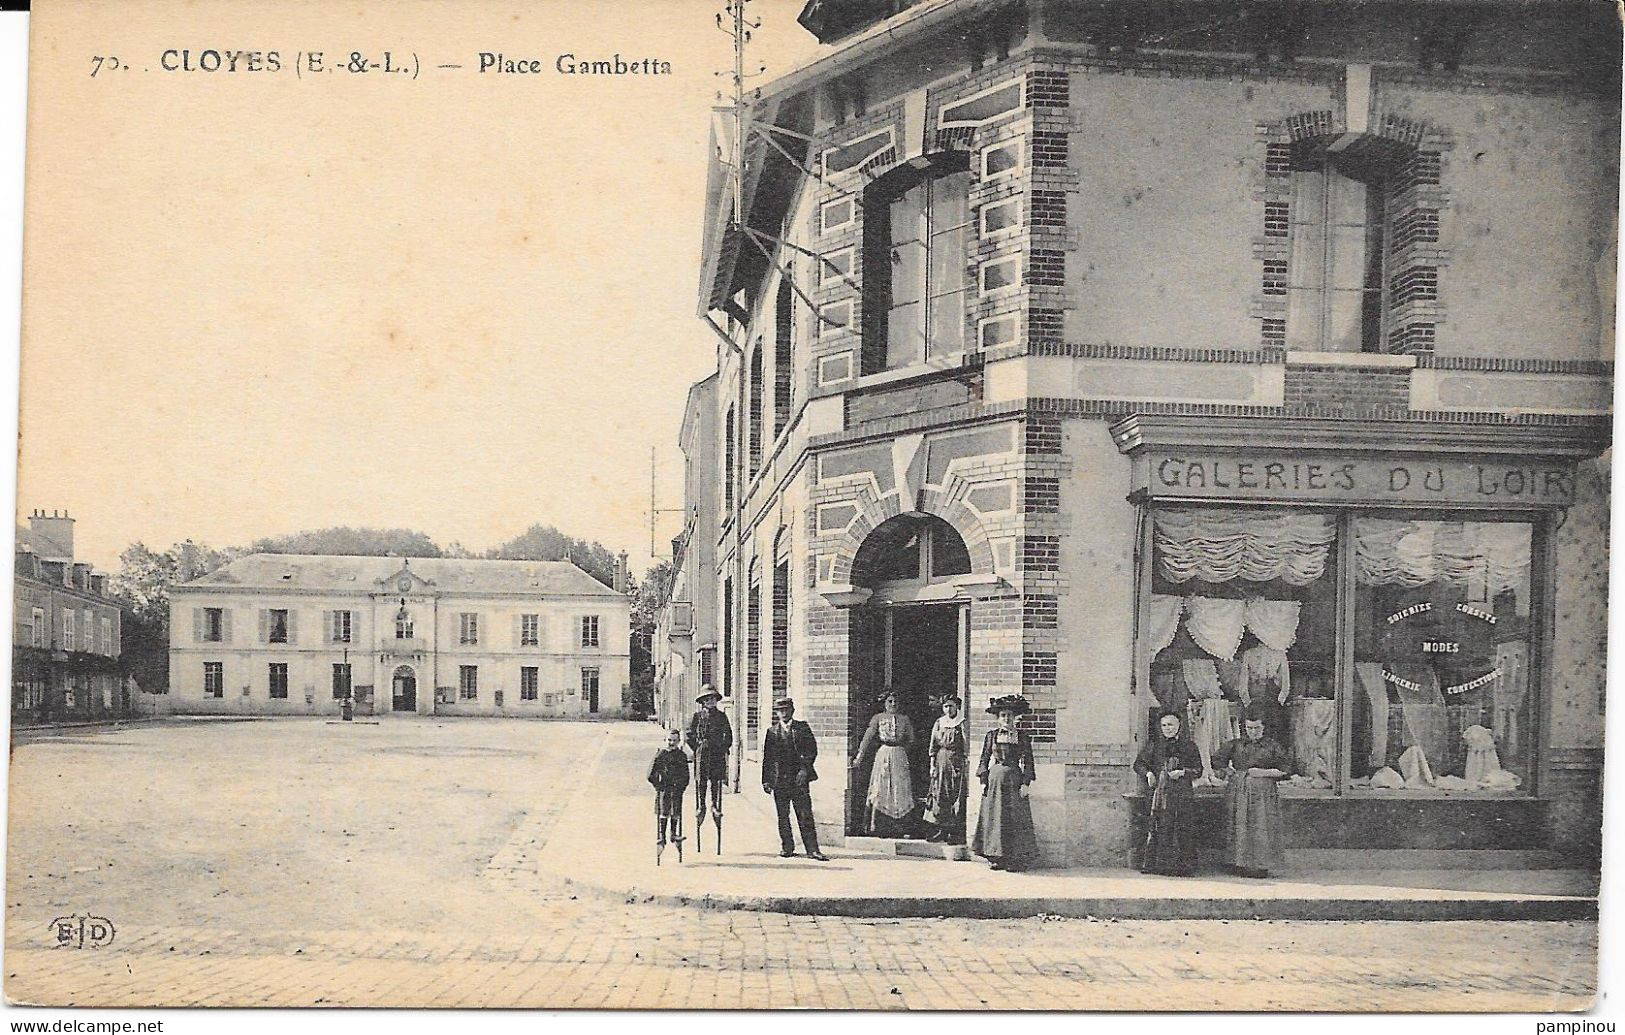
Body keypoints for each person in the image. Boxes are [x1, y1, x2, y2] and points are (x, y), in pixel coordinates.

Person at [1214, 711, 1290, 877]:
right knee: (1240, 825)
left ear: (1264, 728)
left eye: (1257, 728)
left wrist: (1264, 772)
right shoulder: (1237, 744)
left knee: (1260, 826)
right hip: (1239, 791)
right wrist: (1229, 771)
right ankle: (1239, 863)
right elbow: (1217, 760)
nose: (1253, 731)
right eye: (1249, 728)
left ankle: (1260, 865)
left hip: (1263, 794)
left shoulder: (1272, 746)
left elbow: (1286, 770)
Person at [971, 694, 1039, 872]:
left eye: (1009, 715)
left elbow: (1028, 761)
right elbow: (984, 759)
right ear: (998, 718)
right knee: (995, 818)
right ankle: (995, 857)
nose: (1006, 718)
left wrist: (1026, 783)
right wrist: (984, 778)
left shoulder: (1022, 737)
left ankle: (1014, 859)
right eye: (1003, 715)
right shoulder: (991, 736)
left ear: (1015, 717)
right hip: (995, 782)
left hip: (1014, 780)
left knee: (1014, 818)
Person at [1134, 710, 1205, 876]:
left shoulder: (1189, 746)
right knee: (1161, 825)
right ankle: (1160, 866)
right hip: (1161, 793)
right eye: (1164, 725)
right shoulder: (1154, 746)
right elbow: (1138, 764)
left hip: (1182, 794)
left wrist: (1183, 773)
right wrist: (1149, 773)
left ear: (1179, 725)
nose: (1167, 728)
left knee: (1183, 827)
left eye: (1171, 724)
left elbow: (1199, 770)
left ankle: (1183, 867)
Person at [761, 697, 827, 860]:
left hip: (798, 779)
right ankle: (787, 847)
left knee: (804, 814)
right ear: (777, 713)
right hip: (780, 780)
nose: (784, 713)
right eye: (780, 710)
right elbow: (767, 758)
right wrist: (766, 780)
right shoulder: (771, 732)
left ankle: (812, 849)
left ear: (792, 711)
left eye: (786, 710)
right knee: (783, 815)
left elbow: (812, 750)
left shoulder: (802, 728)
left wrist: (805, 770)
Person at [854, 688, 917, 837]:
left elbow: (912, 739)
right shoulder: (878, 718)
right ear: (884, 703)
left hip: (899, 755)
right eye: (890, 701)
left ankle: (901, 827)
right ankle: (879, 827)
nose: (893, 704)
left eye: (896, 701)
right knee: (881, 787)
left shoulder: (904, 719)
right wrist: (859, 756)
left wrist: (902, 750)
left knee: (899, 788)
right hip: (883, 754)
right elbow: (867, 737)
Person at [685, 685, 733, 832]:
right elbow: (689, 735)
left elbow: (728, 735)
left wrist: (722, 747)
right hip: (702, 753)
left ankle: (714, 804)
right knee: (701, 780)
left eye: (712, 699)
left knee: (716, 780)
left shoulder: (721, 716)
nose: (710, 702)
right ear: (703, 702)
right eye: (707, 699)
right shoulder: (697, 717)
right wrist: (698, 747)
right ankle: (701, 805)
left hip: (717, 753)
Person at [924, 693, 969, 843]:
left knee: (954, 793)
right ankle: (941, 829)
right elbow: (933, 745)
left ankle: (954, 831)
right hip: (940, 761)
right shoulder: (939, 722)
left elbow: (965, 745)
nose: (948, 709)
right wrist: (932, 765)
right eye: (946, 706)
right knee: (938, 793)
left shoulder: (961, 723)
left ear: (957, 706)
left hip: (955, 762)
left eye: (951, 706)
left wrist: (963, 763)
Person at [647, 727, 691, 861]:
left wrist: (681, 787)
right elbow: (650, 774)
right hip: (664, 789)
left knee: (675, 811)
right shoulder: (661, 755)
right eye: (669, 740)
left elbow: (686, 776)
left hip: (676, 789)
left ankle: (673, 834)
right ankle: (662, 836)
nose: (671, 743)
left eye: (674, 741)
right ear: (665, 740)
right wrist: (658, 785)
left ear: (678, 742)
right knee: (664, 811)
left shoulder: (681, 756)